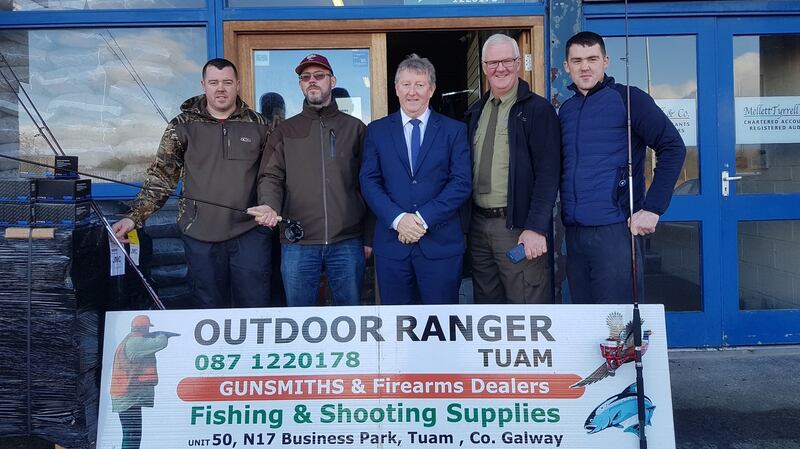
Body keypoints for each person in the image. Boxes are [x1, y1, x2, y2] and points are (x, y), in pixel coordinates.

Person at [111, 58, 274, 309]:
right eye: (214, 82)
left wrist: (271, 207)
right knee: (208, 306)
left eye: (227, 82)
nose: (221, 88)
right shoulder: (181, 126)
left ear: (238, 85)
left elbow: (272, 176)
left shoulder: (260, 125)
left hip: (249, 233)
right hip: (200, 233)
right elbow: (162, 176)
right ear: (203, 85)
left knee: (254, 305)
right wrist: (134, 217)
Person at [559, 31, 686, 304]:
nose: (585, 66)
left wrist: (653, 208)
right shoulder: (566, 110)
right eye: (577, 60)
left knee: (617, 326)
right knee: (584, 322)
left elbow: (673, 147)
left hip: (615, 230)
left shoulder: (629, 99)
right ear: (567, 66)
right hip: (574, 233)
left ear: (605, 61)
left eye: (592, 58)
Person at [248, 53, 371, 307]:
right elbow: (271, 175)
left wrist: (369, 237)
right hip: (298, 242)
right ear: (300, 85)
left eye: (319, 76)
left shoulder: (355, 128)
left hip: (347, 242)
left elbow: (370, 183)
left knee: (349, 318)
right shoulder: (284, 131)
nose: (312, 81)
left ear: (332, 81)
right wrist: (270, 206)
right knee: (300, 321)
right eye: (305, 77)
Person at [360, 54, 471, 304]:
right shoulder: (377, 131)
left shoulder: (454, 130)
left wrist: (420, 220)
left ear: (431, 90)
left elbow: (461, 182)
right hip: (392, 247)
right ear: (396, 88)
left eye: (420, 85)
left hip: (441, 247)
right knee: (398, 330)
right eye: (406, 84)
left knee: (441, 328)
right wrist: (398, 220)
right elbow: (369, 181)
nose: (413, 92)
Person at [464, 34, 562, 304]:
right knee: (487, 311)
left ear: (518, 63)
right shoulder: (475, 112)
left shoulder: (538, 110)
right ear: (484, 67)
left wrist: (536, 227)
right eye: (493, 62)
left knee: (526, 309)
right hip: (479, 227)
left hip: (517, 227)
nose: (500, 68)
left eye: (506, 60)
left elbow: (548, 174)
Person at [110, 315, 179, 449]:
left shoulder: (130, 340)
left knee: (131, 434)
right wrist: (162, 334)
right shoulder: (135, 343)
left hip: (128, 395)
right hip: (128, 397)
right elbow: (161, 343)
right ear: (145, 328)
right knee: (132, 435)